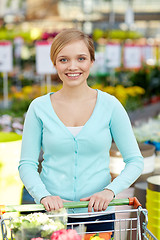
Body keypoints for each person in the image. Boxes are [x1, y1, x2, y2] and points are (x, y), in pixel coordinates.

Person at [18, 28, 144, 234]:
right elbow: (27, 164)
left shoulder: (110, 106)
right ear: (54, 63)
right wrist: (43, 196)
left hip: (99, 216)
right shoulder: (39, 108)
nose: (73, 66)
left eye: (81, 58)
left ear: (92, 62)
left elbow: (135, 161)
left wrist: (109, 191)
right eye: (64, 60)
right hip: (53, 216)